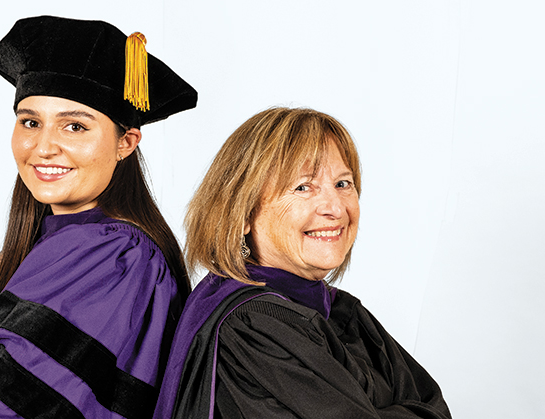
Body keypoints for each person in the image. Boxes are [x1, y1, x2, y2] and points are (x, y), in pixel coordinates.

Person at [0, 16, 197, 419]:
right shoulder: (29, 250)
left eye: (75, 127)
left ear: (126, 143)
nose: (44, 147)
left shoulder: (114, 255)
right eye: (30, 122)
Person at [153, 107, 451, 418]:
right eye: (303, 187)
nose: (335, 208)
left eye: (343, 183)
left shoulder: (341, 312)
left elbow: (437, 409)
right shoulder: (252, 326)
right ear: (243, 214)